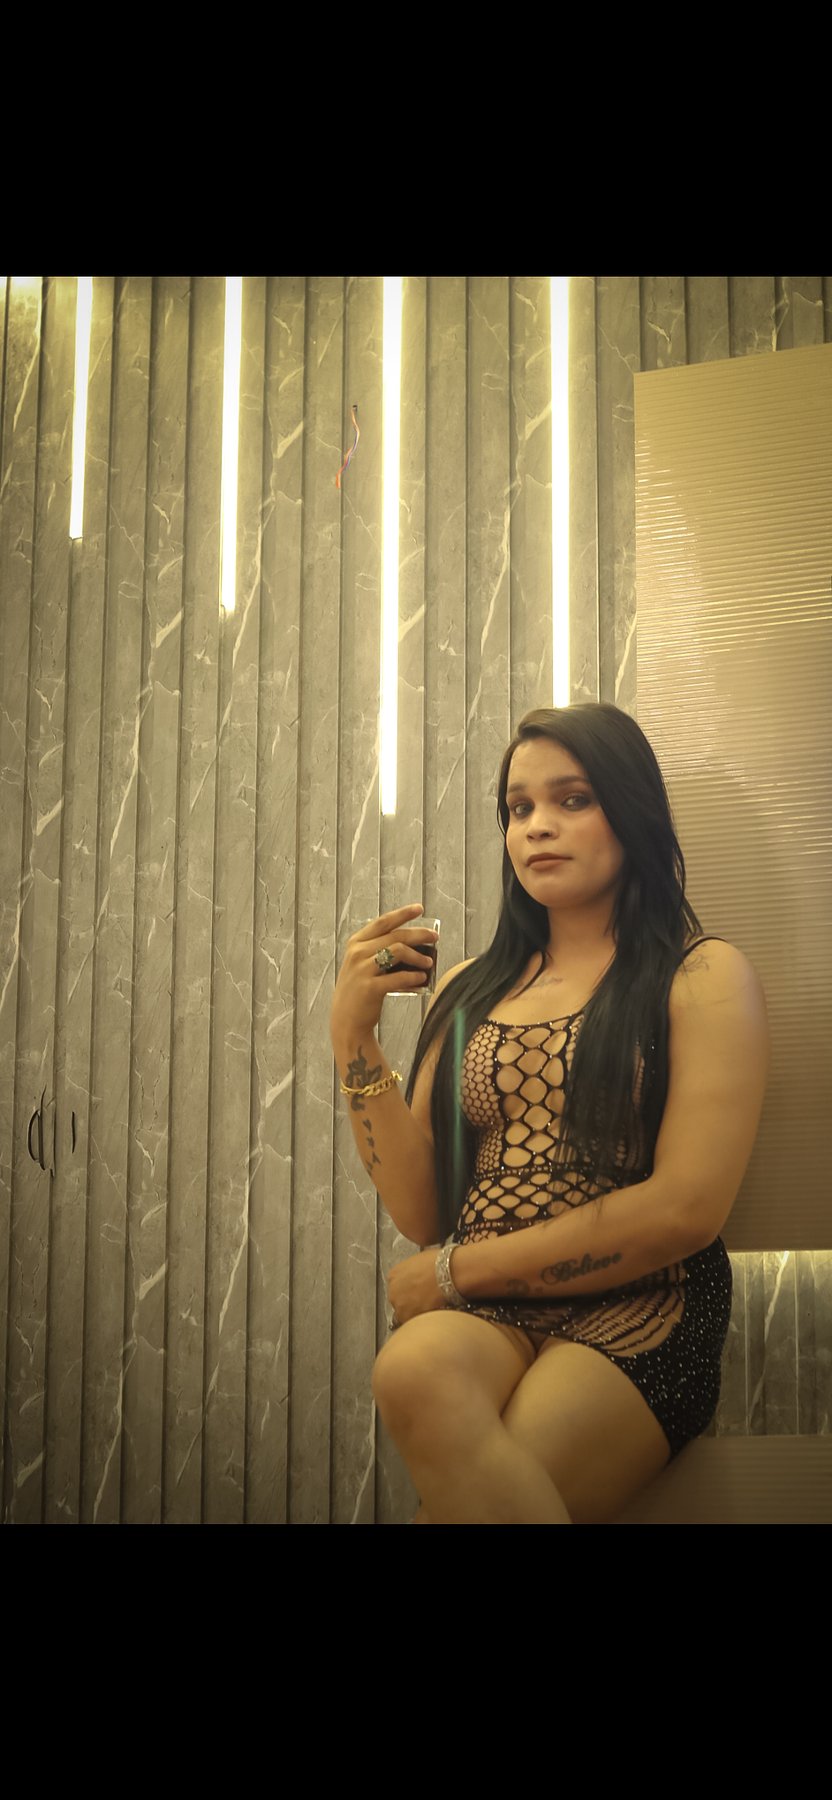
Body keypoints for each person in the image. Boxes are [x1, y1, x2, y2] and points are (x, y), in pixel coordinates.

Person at [330, 703, 770, 1524]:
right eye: (519, 807)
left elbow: (686, 1210)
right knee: (408, 1370)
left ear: (630, 810)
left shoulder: (701, 975)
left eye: (572, 799)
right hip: (492, 1311)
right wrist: (354, 1035)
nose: (537, 826)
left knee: (491, 1483)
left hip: (647, 1299)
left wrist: (454, 1273)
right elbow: (423, 1208)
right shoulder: (470, 989)